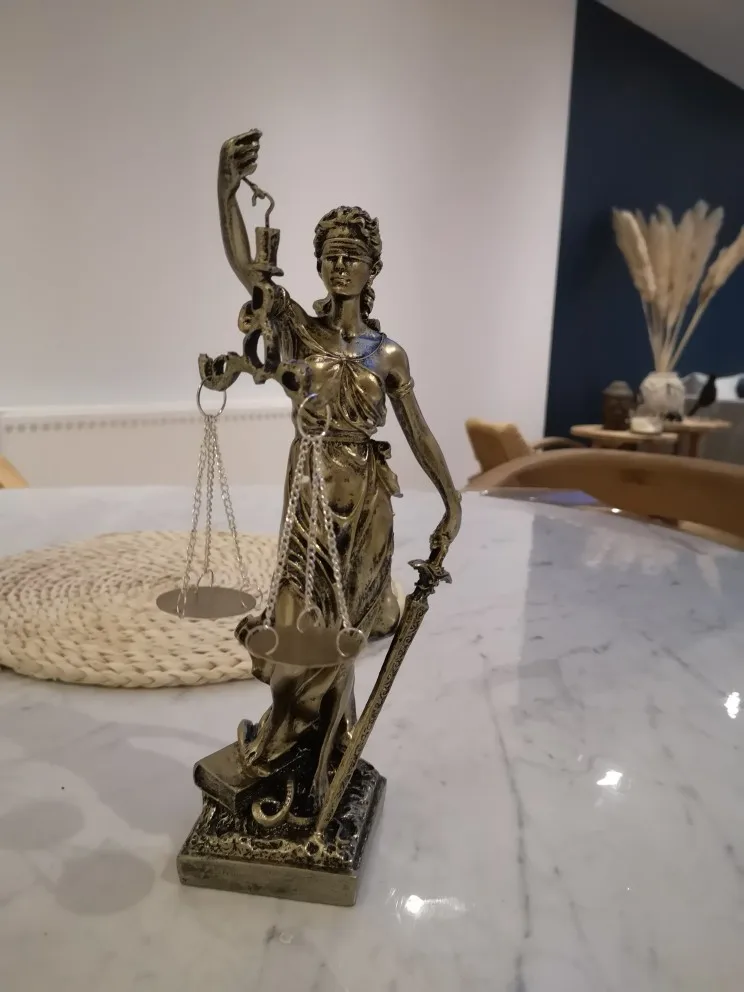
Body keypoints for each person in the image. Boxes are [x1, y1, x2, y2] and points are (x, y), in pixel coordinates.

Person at [201, 131, 461, 813]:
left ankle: (324, 750)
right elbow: (246, 266)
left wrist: (452, 501)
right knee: (295, 625)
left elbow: (419, 432)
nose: (340, 266)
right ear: (316, 264)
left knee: (344, 634)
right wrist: (226, 188)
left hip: (368, 500)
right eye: (330, 256)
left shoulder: (389, 353)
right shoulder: (295, 328)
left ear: (375, 269)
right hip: (311, 491)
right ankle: (286, 731)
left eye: (353, 256)